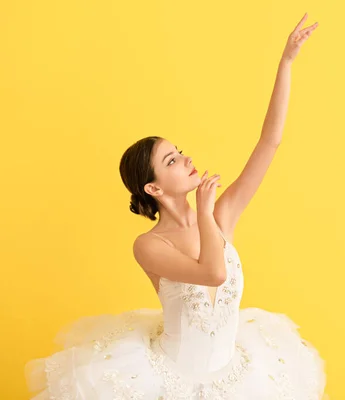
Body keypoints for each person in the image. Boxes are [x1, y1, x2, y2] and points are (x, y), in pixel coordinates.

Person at [24, 13, 326, 399]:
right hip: (168, 382)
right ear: (153, 187)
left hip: (237, 376)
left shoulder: (222, 213)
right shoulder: (150, 245)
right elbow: (214, 273)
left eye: (179, 152)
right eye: (171, 161)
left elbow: (270, 142)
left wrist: (286, 62)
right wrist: (203, 213)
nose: (185, 160)